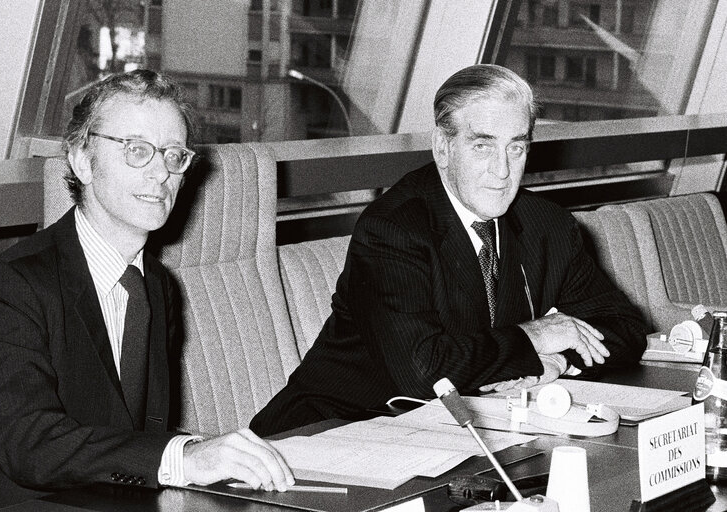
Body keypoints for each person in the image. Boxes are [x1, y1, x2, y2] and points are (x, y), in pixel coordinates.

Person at [250, 64, 647, 437]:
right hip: (335, 431)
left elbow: (625, 330)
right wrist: (537, 337)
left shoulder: (548, 225)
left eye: (516, 148)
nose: (502, 170)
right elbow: (424, 370)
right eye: (481, 146)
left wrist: (558, 361)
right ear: (443, 146)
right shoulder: (394, 228)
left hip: (454, 432)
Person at [0, 70, 293, 512]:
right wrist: (183, 456)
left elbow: (139, 435)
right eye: (137, 151)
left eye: (175, 155)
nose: (161, 172)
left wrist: (206, 450)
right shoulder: (10, 285)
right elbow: (28, 444)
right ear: (82, 161)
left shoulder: (158, 287)